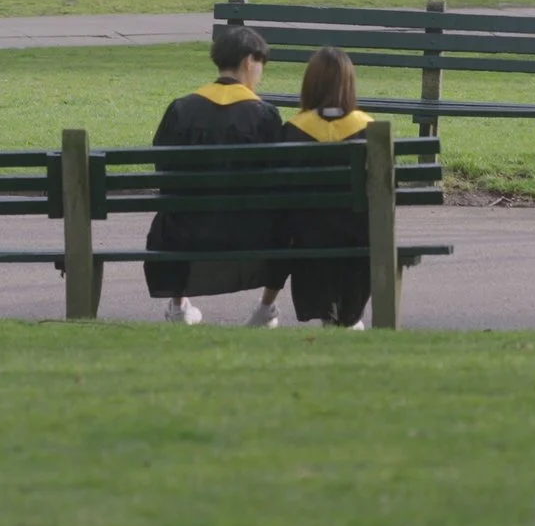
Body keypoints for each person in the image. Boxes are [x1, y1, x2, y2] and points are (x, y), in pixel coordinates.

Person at [146, 26, 286, 325]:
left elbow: (164, 171)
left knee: (173, 208)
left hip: (185, 232)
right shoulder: (263, 115)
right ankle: (265, 309)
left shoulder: (181, 109)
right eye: (261, 65)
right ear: (249, 61)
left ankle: (179, 305)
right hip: (251, 231)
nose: (260, 74)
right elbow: (277, 177)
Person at [247, 47, 376, 330]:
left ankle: (280, 308)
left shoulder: (293, 130)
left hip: (306, 237)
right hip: (360, 238)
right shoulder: (369, 130)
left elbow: (280, 192)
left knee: (289, 222)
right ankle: (347, 315)